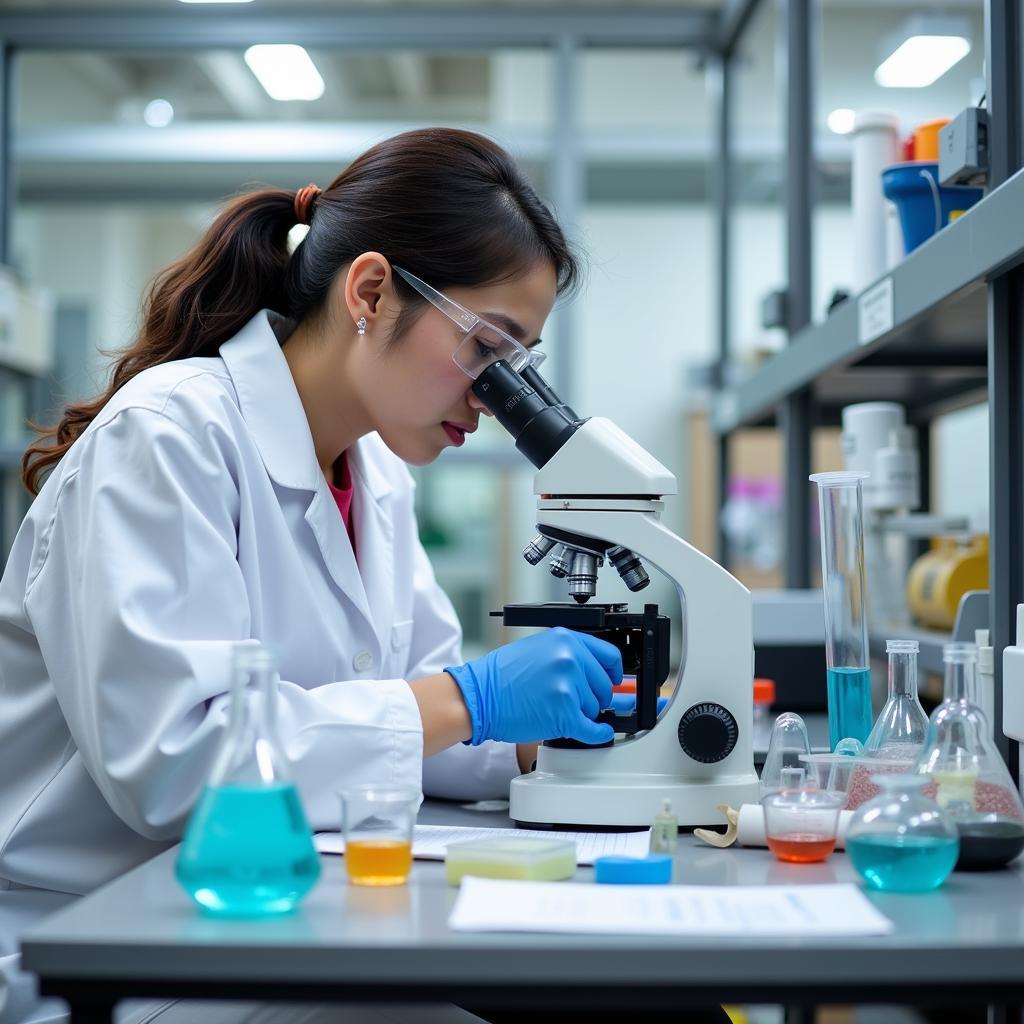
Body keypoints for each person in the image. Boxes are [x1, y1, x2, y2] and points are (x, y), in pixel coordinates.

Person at [0, 128, 649, 1024]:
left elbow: (417, 720)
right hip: (118, 949)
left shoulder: (373, 472)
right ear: (373, 292)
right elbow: (178, 765)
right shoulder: (168, 438)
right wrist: (471, 696)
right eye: (485, 350)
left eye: (517, 366)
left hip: (290, 917)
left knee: (630, 999)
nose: (493, 399)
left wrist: (542, 737)